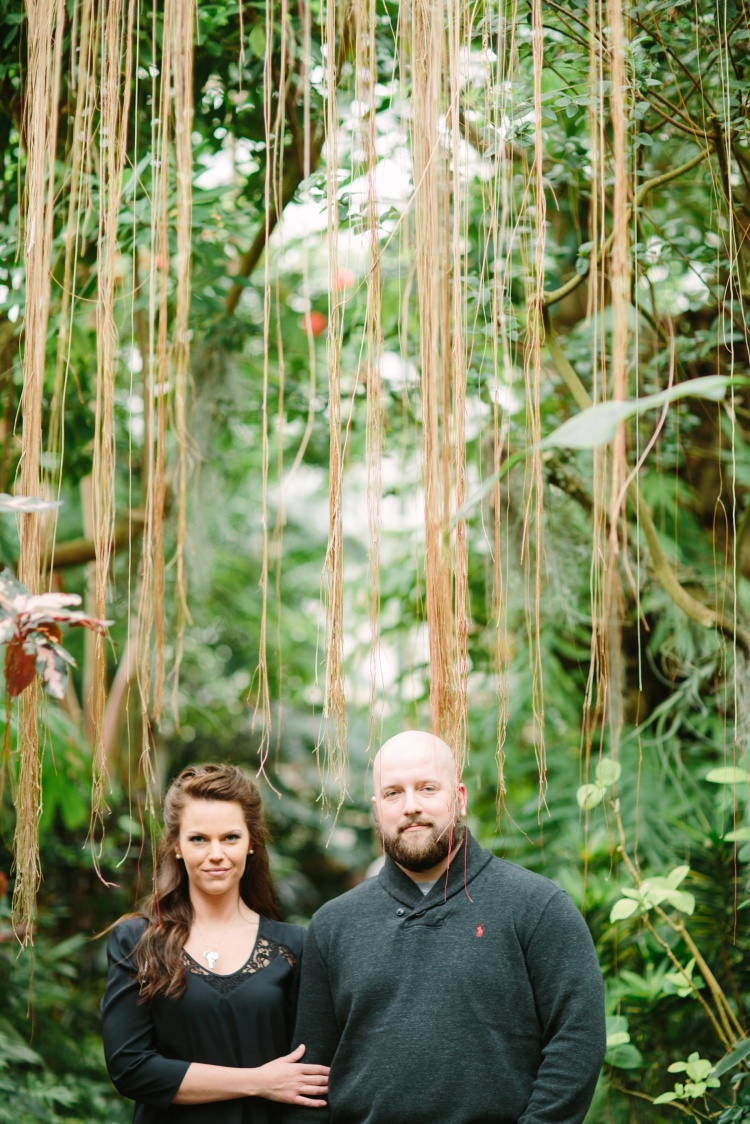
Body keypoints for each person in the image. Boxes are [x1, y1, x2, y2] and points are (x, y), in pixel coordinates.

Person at [283, 731, 606, 1124]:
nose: (411, 806)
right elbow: (311, 1078)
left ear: (460, 797)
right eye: (392, 794)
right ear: (375, 809)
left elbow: (578, 1040)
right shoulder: (333, 925)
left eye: (427, 788)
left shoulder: (536, 906)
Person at [101, 763, 329, 1123]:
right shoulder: (137, 941)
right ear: (176, 845)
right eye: (199, 839)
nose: (216, 854)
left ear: (251, 842)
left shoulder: (294, 946)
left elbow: (310, 1079)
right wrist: (257, 1082)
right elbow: (131, 1068)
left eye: (230, 837)